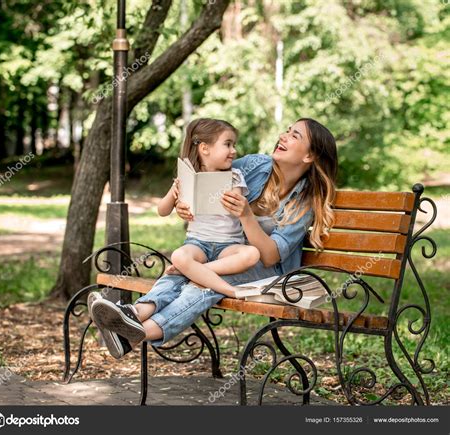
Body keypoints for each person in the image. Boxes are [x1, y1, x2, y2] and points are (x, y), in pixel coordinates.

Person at [89, 118, 338, 358]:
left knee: (201, 280)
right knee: (187, 270)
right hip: (229, 253)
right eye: (287, 130)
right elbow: (204, 179)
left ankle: (136, 334)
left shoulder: (305, 203)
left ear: (309, 156)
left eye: (295, 135)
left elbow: (271, 256)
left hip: (266, 271)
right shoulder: (255, 165)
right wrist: (184, 205)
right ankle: (136, 312)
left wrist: (246, 216)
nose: (283, 136)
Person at [158, 118, 260, 296]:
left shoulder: (235, 176)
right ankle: (229, 290)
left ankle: (192, 270)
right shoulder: (188, 177)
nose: (233, 151)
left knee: (252, 254)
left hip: (228, 246)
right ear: (204, 148)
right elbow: (162, 211)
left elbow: (234, 205)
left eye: (233, 145)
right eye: (228, 144)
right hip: (197, 244)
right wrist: (175, 199)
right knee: (179, 256)